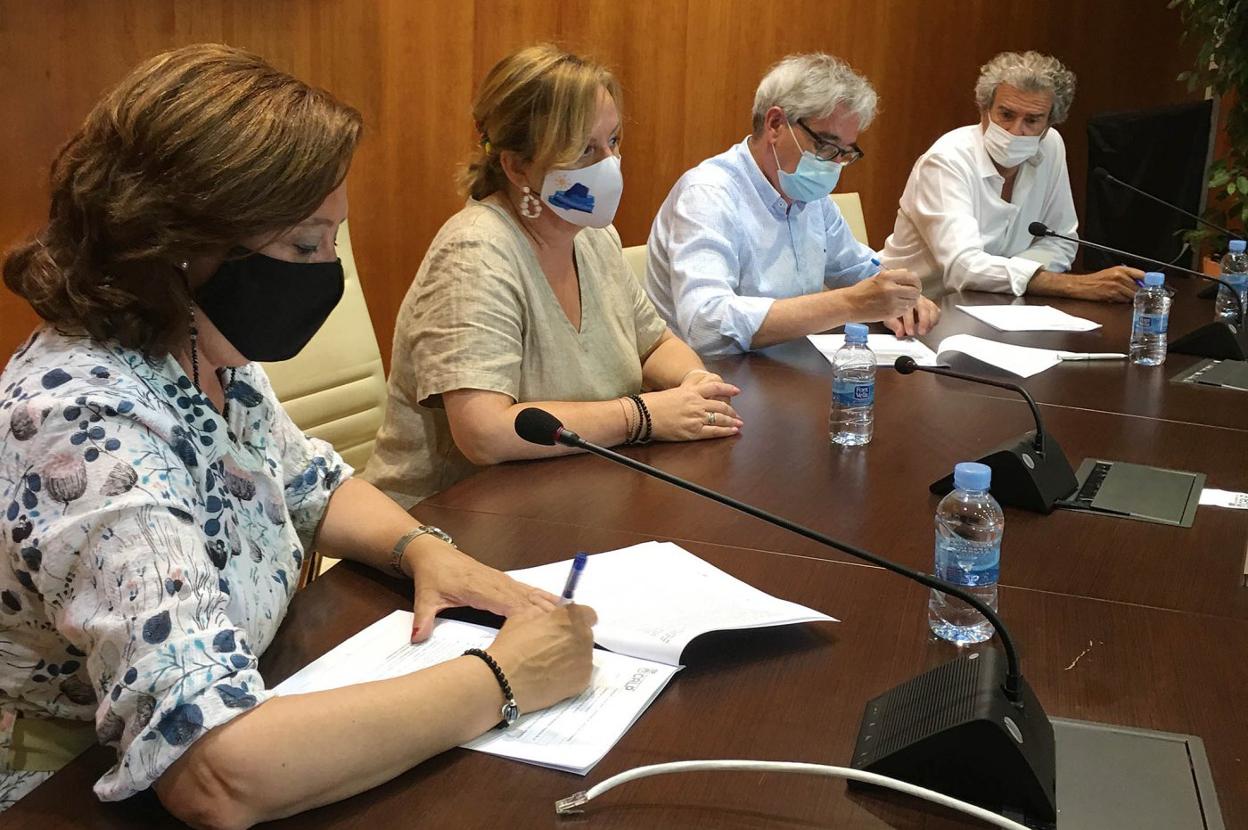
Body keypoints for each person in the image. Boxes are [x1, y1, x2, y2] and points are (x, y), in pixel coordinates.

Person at [0, 44, 595, 827]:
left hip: (259, 687)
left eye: (333, 241)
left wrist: (429, 553)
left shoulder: (194, 343)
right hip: (73, 787)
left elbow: (309, 479)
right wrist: (503, 678)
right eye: (303, 245)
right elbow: (215, 772)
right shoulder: (82, 426)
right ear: (180, 242)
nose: (327, 271)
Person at [364, 45, 741, 508]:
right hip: (444, 522)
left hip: (569, 497)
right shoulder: (475, 252)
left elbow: (655, 342)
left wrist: (695, 384)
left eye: (613, 142)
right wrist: (643, 415)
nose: (609, 165)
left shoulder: (590, 236)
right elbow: (485, 433)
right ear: (518, 165)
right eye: (585, 149)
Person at [645, 53, 940, 358]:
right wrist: (849, 304)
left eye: (845, 153)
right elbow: (705, 326)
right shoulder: (708, 194)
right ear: (775, 125)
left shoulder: (812, 199)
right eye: (825, 146)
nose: (835, 165)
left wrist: (897, 293)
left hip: (787, 371)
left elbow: (858, 267)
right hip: (707, 382)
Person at [880, 51, 1144, 300]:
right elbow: (964, 267)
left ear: (1049, 123)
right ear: (984, 110)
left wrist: (1010, 277)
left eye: (1032, 120)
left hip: (996, 306)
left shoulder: (1051, 145)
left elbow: (1060, 243)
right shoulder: (946, 161)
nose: (1016, 131)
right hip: (913, 308)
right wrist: (1072, 285)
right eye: (1006, 115)